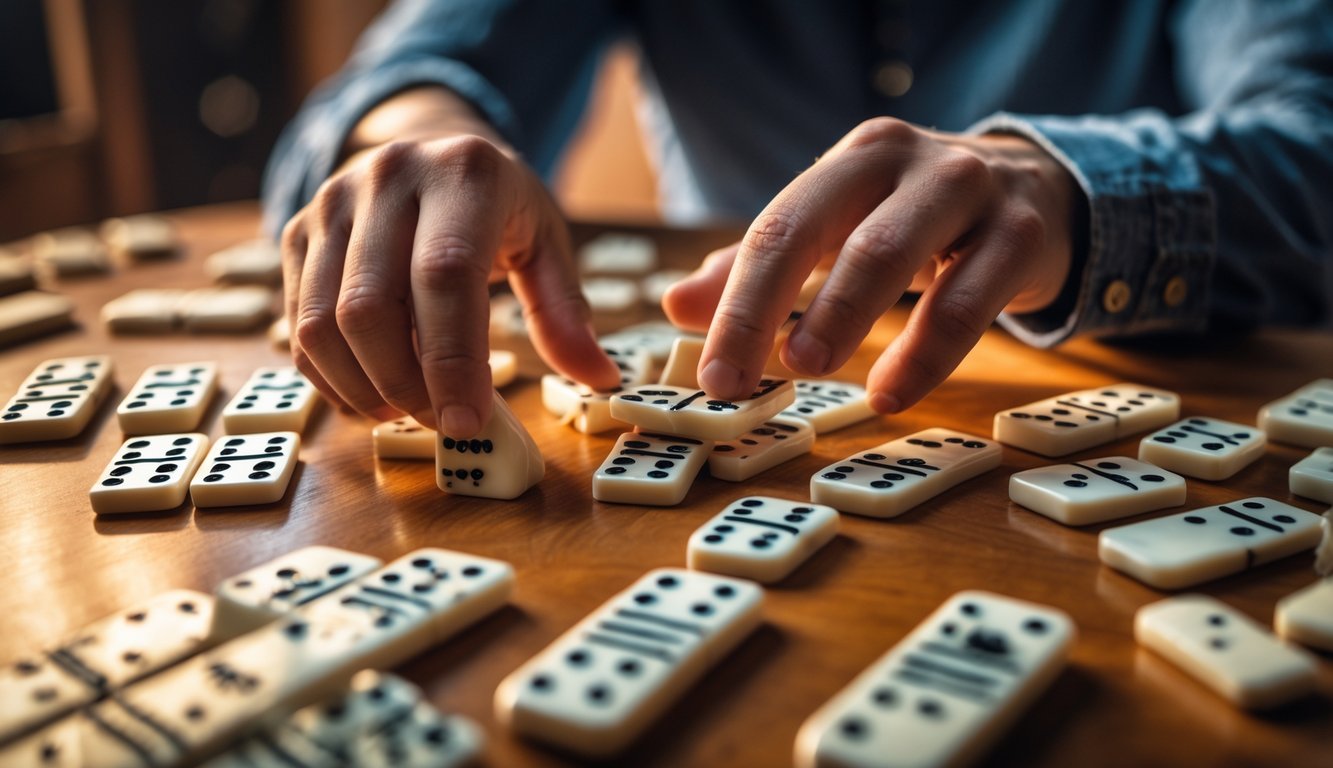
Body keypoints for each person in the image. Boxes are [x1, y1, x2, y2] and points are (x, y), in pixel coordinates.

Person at [264, 0, 1333, 437]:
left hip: (1168, 393)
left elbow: (1314, 139)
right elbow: (422, 65)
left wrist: (1063, 184)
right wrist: (409, 139)